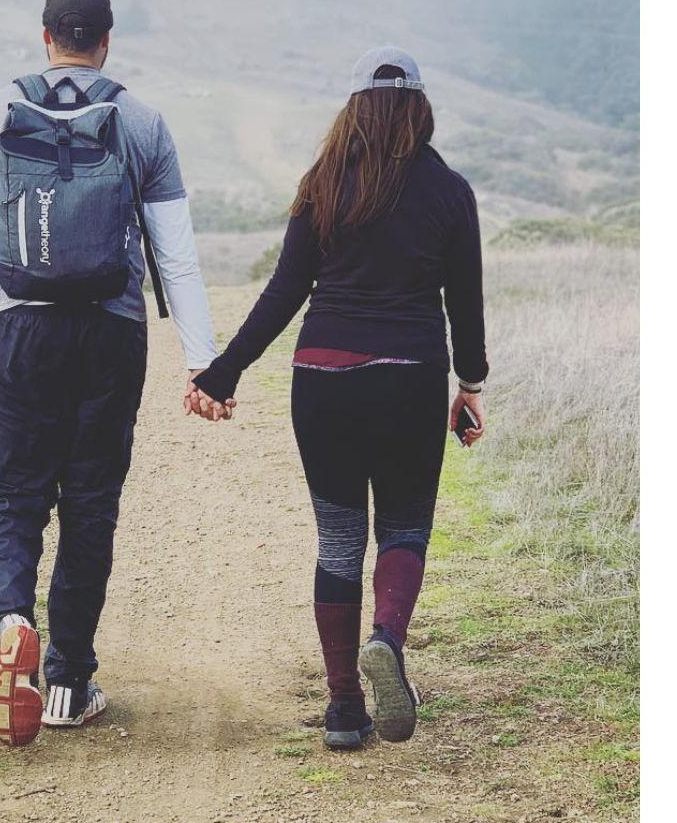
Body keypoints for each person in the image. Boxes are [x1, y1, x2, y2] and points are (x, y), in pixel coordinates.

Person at [0, 0, 224, 747]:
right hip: (110, 334)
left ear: (46, 37)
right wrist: (201, 362)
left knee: (11, 490)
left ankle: (8, 614)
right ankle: (69, 683)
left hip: (20, 329)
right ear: (106, 41)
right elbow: (177, 255)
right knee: (91, 500)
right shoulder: (139, 120)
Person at [189, 47, 488, 749]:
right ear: (419, 111)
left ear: (354, 109)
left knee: (339, 538)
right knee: (405, 527)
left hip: (322, 378)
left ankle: (343, 708)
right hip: (409, 375)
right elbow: (464, 306)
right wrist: (469, 387)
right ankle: (385, 637)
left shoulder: (323, 183)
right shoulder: (449, 191)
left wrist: (222, 373)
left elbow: (284, 292)